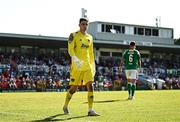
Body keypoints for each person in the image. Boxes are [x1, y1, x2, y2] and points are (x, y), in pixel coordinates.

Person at [63, 17, 100, 116]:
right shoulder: (73, 35)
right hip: (77, 67)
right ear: (79, 25)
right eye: (83, 24)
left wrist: (93, 65)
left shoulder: (90, 37)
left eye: (86, 24)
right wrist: (75, 60)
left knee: (91, 86)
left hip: (87, 66)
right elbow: (70, 49)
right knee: (74, 89)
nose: (84, 26)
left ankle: (90, 110)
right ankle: (65, 105)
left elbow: (91, 52)